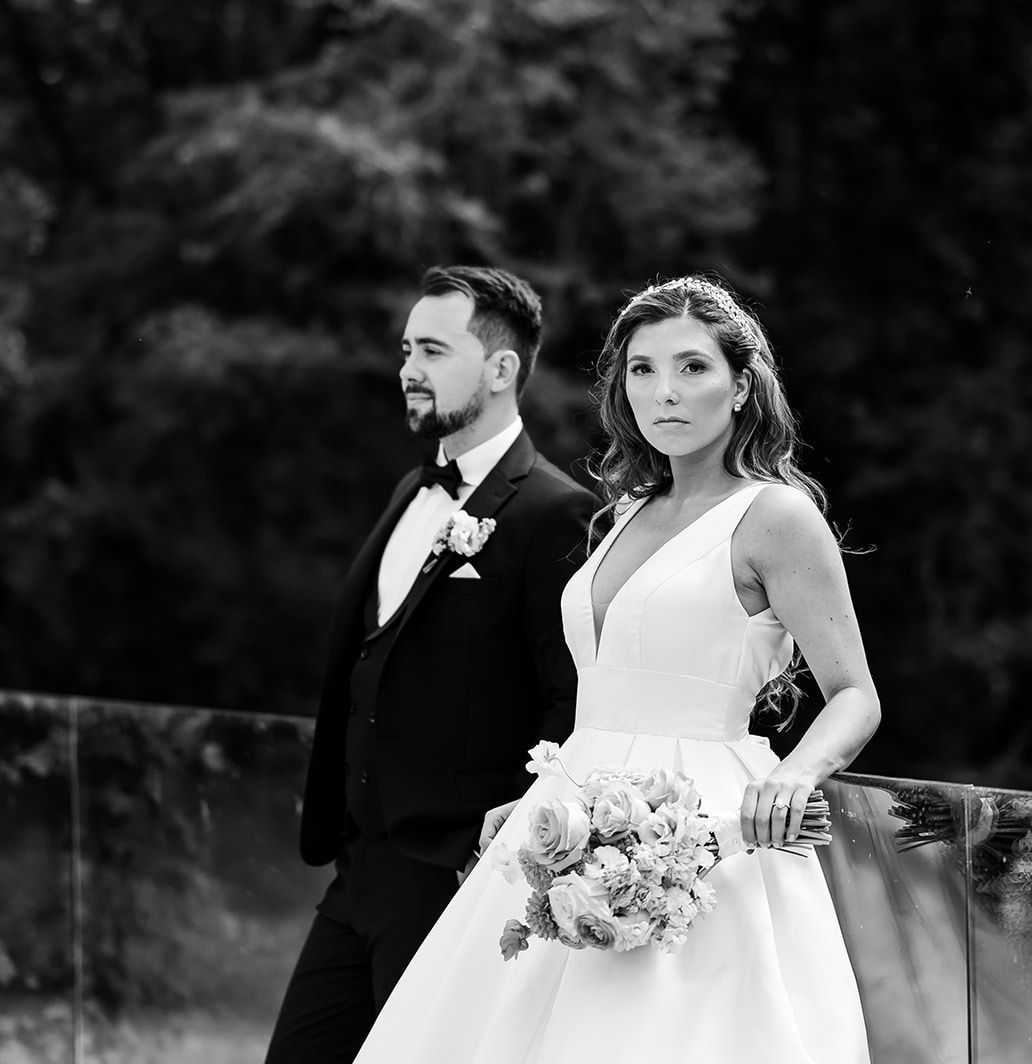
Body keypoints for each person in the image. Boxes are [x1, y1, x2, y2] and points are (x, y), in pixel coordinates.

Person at [351, 275, 881, 1062]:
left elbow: (854, 694)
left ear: (742, 386)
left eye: (692, 368)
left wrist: (795, 776)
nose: (663, 391)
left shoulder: (774, 516)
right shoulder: (628, 507)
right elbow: (603, 698)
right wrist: (535, 803)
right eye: (642, 368)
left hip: (709, 836)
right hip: (567, 824)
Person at [265, 266, 598, 1064]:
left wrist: (516, 849)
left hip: (457, 880)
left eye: (433, 350)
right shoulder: (407, 494)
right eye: (407, 348)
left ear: (501, 369)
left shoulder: (555, 511)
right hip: (360, 870)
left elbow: (571, 701)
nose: (409, 368)